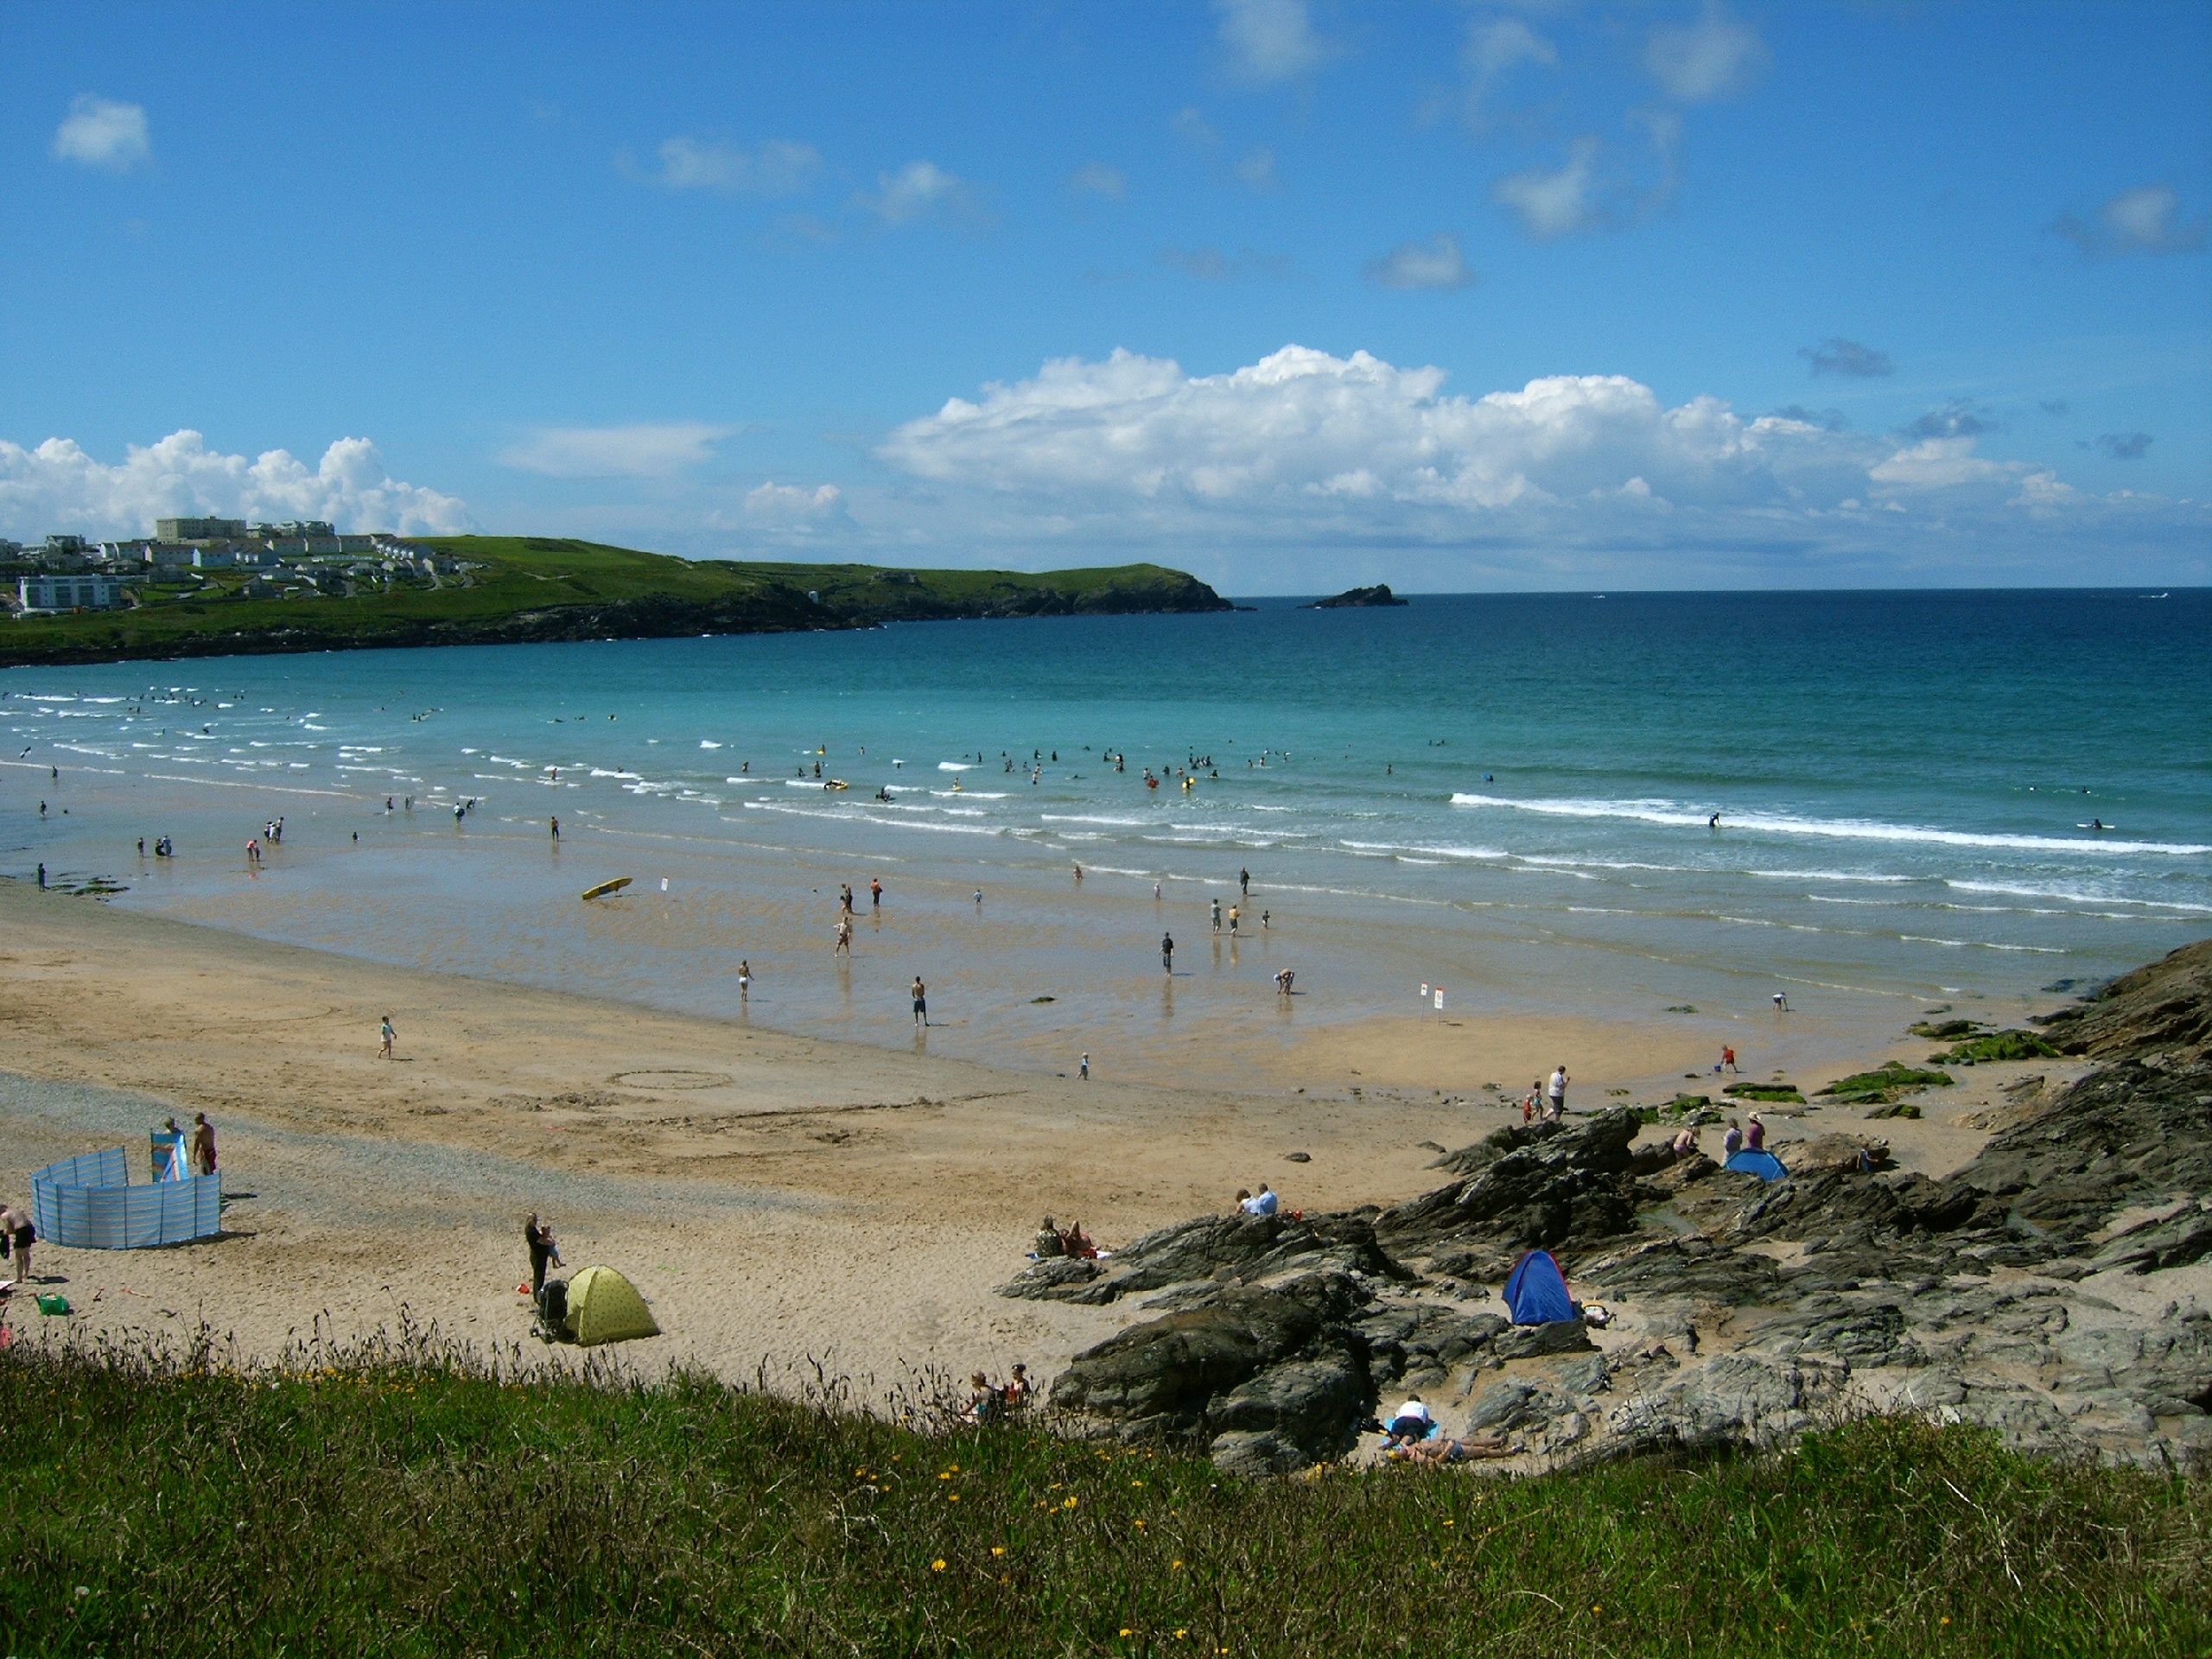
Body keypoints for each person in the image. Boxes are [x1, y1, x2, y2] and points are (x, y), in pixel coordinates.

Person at [523, 1213, 563, 1295]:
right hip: (538, 1256)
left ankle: (537, 1293)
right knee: (539, 1277)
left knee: (539, 1276)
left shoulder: (532, 1229)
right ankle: (537, 1295)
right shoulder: (531, 1231)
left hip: (538, 1255)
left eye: (536, 1220)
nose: (536, 1221)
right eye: (534, 1220)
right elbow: (541, 1241)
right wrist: (550, 1242)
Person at [1, 1201, 33, 1284]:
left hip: (21, 1230)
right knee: (26, 1253)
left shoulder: (4, 1216)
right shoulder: (14, 1210)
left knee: (18, 1256)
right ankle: (26, 1274)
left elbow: (10, 1230)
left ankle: (19, 1278)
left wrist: (3, 1233)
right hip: (30, 1228)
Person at [191, 1112, 217, 1176]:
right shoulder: (210, 1128)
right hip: (212, 1150)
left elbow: (196, 1144)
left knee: (205, 1172)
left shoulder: (199, 1131)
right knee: (211, 1171)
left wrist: (194, 1156)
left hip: (205, 1153)